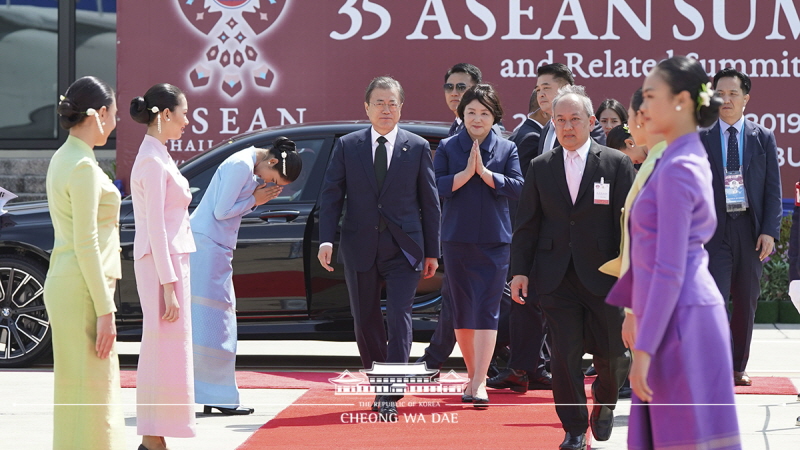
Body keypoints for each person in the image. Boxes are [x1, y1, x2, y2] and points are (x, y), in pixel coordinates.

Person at [606, 55, 741, 449]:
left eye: (650, 96)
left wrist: (644, 347)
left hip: (681, 320)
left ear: (682, 101)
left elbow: (669, 266)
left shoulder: (679, 165)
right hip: (676, 315)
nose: (642, 108)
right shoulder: (677, 158)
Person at [510, 85, 634, 450]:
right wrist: (520, 270)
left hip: (605, 277)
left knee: (613, 355)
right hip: (555, 277)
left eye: (574, 119)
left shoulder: (615, 163)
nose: (566, 126)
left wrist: (631, 278)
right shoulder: (540, 166)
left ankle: (606, 401)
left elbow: (628, 226)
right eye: (559, 119)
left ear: (591, 122)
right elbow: (527, 224)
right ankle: (575, 429)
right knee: (563, 357)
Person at [317, 76, 441, 421]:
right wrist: (327, 239)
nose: (386, 109)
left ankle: (390, 388)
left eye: (392, 103)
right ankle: (379, 381)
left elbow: (430, 202)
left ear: (401, 108)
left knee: (400, 317)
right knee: (366, 318)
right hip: (360, 245)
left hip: (405, 248)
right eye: (379, 103)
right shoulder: (348, 145)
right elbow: (331, 196)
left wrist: (433, 251)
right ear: (367, 108)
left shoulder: (416, 147)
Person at [191, 137, 302, 415]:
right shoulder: (240, 164)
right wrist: (255, 199)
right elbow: (222, 211)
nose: (272, 185)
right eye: (275, 179)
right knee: (214, 321)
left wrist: (255, 196)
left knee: (216, 321)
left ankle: (217, 395)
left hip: (212, 245)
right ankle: (217, 396)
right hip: (207, 245)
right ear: (272, 161)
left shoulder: (246, 165)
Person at [44, 76, 125, 450]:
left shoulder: (66, 157)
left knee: (78, 395)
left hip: (70, 283)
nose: (117, 121)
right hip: (83, 290)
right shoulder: (82, 167)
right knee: (94, 396)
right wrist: (105, 308)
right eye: (114, 114)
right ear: (101, 114)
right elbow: (87, 242)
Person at [434, 84, 523, 407]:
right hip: (456, 239)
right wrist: (464, 174)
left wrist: (486, 174)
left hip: (494, 241)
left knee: (487, 309)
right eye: (471, 112)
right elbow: (436, 186)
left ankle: (480, 381)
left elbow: (517, 188)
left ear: (494, 116)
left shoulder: (506, 149)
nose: (477, 118)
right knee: (462, 310)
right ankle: (474, 377)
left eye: (484, 113)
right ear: (462, 115)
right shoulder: (446, 147)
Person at [700, 67, 782, 387]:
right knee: (715, 302)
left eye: (734, 93)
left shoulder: (762, 137)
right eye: (721, 93)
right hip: (714, 233)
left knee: (746, 302)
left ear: (745, 99)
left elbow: (772, 189)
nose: (726, 99)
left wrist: (769, 231)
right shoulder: (701, 135)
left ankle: (738, 366)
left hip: (749, 230)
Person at [129, 84, 196, 450]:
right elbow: (154, 224)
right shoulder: (152, 161)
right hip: (160, 266)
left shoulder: (160, 155)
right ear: (165, 114)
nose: (188, 121)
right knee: (159, 348)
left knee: (170, 351)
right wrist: (168, 285)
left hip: (169, 263)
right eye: (184, 113)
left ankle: (154, 438)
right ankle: (152, 440)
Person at [488, 88, 553, 393]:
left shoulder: (533, 135)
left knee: (531, 304)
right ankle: (526, 367)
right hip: (525, 233)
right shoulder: (529, 138)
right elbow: (526, 196)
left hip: (539, 235)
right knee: (526, 303)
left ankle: (527, 367)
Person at [536, 63, 606, 157]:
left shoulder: (588, 126)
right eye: (538, 90)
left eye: (546, 88)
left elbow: (597, 162)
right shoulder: (547, 128)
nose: (541, 94)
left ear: (566, 88)